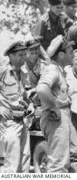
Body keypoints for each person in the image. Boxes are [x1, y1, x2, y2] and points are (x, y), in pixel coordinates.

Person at [36, 37, 74, 173]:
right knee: (58, 165)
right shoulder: (52, 69)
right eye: (71, 51)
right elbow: (41, 89)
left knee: (62, 161)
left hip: (60, 116)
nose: (73, 54)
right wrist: (55, 107)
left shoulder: (59, 70)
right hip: (55, 117)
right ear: (61, 55)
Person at [0, 41, 34, 173]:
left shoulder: (24, 73)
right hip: (9, 122)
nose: (24, 57)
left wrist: (30, 105)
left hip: (24, 121)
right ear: (11, 56)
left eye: (25, 54)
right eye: (20, 55)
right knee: (12, 163)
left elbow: (25, 94)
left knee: (25, 161)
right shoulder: (2, 71)